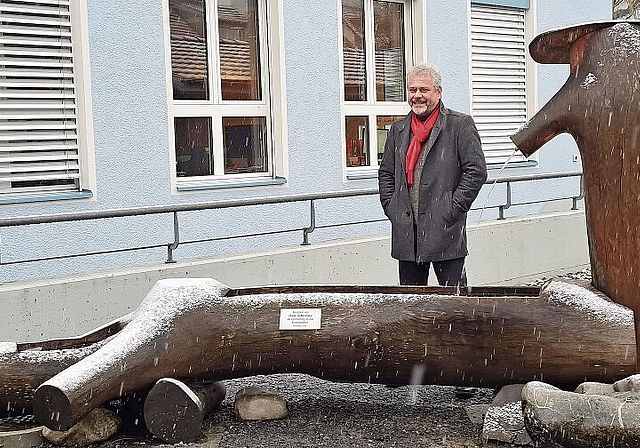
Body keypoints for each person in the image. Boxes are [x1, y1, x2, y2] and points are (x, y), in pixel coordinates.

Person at [378, 63, 487, 286]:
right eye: (412, 90)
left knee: (457, 307)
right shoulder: (398, 130)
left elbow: (476, 171)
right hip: (407, 234)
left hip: (445, 231)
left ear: (438, 92)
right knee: (412, 308)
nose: (417, 95)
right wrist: (392, 207)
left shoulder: (459, 125)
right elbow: (386, 173)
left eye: (424, 90)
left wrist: (452, 208)